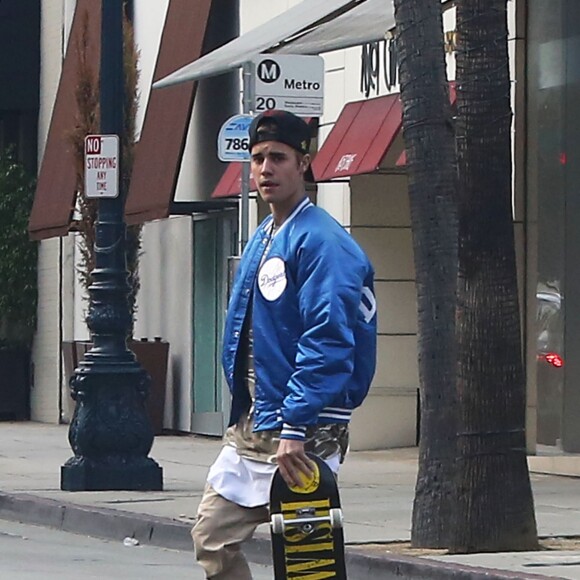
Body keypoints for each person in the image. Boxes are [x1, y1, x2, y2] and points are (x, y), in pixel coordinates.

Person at [191, 110, 377, 579]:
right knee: (212, 538)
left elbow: (329, 339)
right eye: (257, 159)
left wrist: (296, 425)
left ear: (303, 163)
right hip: (256, 423)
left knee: (305, 567)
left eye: (278, 157)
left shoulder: (324, 242)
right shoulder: (264, 236)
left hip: (304, 429)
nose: (266, 169)